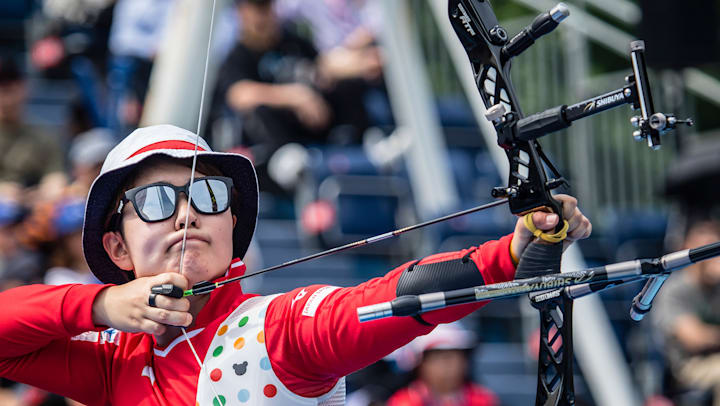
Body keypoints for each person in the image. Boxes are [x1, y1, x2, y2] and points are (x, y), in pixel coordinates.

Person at [0, 124, 591, 405]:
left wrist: (510, 255)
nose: (186, 215)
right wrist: (101, 304)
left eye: (208, 197)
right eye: (155, 202)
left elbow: (391, 297)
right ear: (118, 249)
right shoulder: (113, 362)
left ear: (233, 229)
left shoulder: (279, 332)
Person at [216, 0, 374, 193]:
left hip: (317, 121)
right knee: (259, 110)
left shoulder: (293, 40)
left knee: (350, 85)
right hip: (279, 143)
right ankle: (288, 158)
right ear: (242, 13)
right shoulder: (238, 56)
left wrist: (363, 62)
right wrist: (295, 96)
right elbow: (239, 94)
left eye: (266, 7)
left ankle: (367, 144)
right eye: (257, 8)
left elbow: (323, 66)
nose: (263, 15)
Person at [653, 220, 720, 405]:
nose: (711, 258)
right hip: (688, 367)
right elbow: (694, 339)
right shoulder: (675, 289)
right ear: (688, 251)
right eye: (704, 251)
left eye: (714, 251)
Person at [386, 322, 498, 406]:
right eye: (437, 357)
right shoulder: (404, 402)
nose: (447, 365)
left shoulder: (483, 399)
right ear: (420, 364)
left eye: (454, 356)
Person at [0, 56, 65, 190]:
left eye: (8, 87)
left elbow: (56, 179)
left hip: (35, 203)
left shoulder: (43, 137)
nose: (5, 97)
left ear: (23, 87)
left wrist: (33, 196)